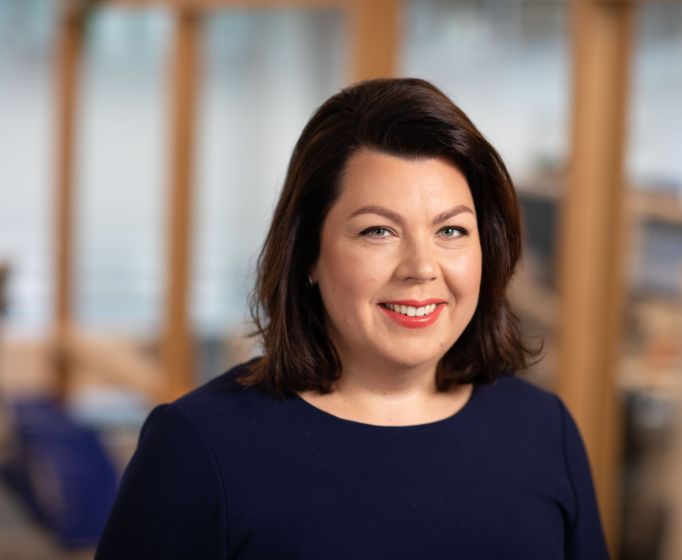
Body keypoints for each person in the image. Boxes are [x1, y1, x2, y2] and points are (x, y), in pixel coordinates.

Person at [95, 78, 608, 559]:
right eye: (377, 231)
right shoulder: (198, 445)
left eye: (451, 231)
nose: (421, 268)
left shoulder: (545, 430)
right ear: (308, 255)